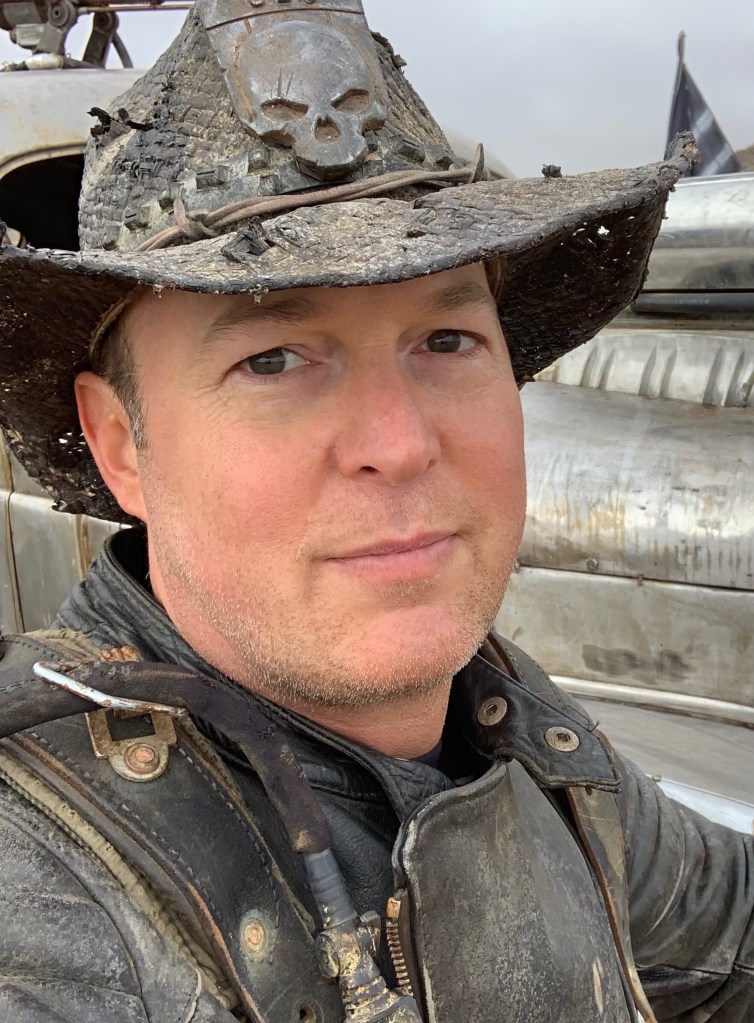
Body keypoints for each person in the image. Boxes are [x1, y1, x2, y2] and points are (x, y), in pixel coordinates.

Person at [0, 3, 750, 1022]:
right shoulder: (44, 897)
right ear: (123, 444)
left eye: (445, 340)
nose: (398, 443)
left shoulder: (517, 730)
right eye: (272, 359)